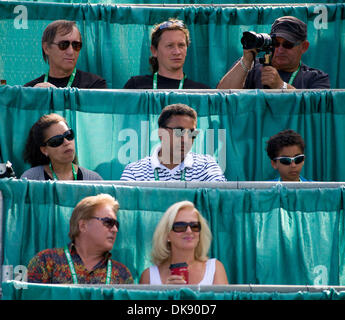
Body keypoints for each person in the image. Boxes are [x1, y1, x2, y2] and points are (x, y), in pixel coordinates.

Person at [27, 194, 133, 284]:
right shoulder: (46, 262)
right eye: (108, 222)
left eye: (116, 224)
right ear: (83, 226)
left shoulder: (122, 274)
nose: (115, 229)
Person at [217, 16, 330, 90]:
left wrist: (281, 86)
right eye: (275, 43)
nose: (280, 50)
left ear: (304, 47)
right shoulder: (252, 67)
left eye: (287, 44)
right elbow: (221, 97)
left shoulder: (316, 78)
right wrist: (246, 60)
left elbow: (316, 110)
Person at [120, 103, 226, 181]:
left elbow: (221, 198)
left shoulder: (206, 165)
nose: (185, 139)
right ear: (161, 133)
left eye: (191, 133)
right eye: (179, 131)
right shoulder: (135, 171)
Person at [140, 200, 228, 285]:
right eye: (180, 226)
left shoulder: (214, 269)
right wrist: (166, 294)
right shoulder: (149, 276)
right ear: (167, 235)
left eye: (195, 226)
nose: (189, 231)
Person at [124, 19, 209, 89]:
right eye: (170, 46)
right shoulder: (136, 85)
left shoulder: (201, 91)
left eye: (181, 45)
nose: (177, 52)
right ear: (154, 51)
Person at [24, 20, 107, 89]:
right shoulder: (31, 90)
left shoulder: (95, 85)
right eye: (63, 45)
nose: (71, 51)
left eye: (76, 45)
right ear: (46, 48)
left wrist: (57, 97)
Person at [21, 113, 103, 180]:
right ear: (44, 150)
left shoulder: (93, 179)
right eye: (57, 140)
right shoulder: (31, 178)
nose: (67, 142)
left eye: (68, 135)